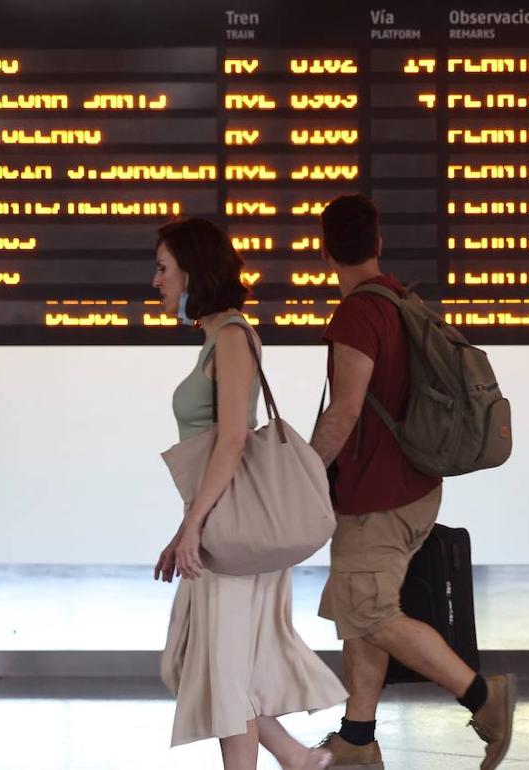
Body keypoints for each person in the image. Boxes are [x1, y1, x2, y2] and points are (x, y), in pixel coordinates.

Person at [309, 195, 516, 770]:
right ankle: (357, 736)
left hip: (378, 494)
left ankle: (483, 697)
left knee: (370, 612)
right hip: (415, 484)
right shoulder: (402, 301)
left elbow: (344, 411)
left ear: (325, 251)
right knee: (361, 610)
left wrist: (302, 471)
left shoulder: (357, 314)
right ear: (378, 243)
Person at [151, 217, 347, 770]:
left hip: (232, 532)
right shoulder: (215, 336)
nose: (156, 281)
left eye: (163, 269)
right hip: (217, 524)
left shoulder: (233, 336)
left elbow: (233, 438)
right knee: (196, 664)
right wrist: (186, 526)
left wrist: (194, 525)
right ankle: (300, 760)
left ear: (193, 270)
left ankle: (295, 761)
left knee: (224, 676)